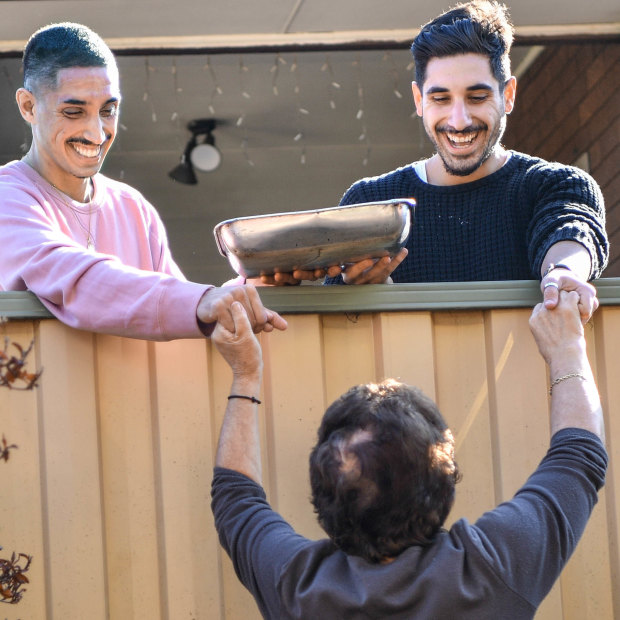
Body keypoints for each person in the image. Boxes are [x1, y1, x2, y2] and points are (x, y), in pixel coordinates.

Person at [210, 292, 607, 619]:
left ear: (322, 498)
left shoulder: (296, 588)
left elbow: (236, 500)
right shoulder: (491, 569)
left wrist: (246, 373)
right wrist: (567, 350)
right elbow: (579, 456)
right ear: (444, 483)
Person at [268, 1, 608, 324]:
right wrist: (364, 291)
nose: (458, 120)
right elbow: (341, 332)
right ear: (419, 100)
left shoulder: (556, 184)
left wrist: (561, 275)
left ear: (508, 95)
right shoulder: (370, 202)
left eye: (477, 97)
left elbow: (569, 228)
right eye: (440, 98)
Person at [0, 23, 286, 340]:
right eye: (73, 111)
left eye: (108, 110)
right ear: (28, 106)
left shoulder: (133, 208)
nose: (97, 133)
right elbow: (69, 276)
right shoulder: (7, 197)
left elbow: (175, 311)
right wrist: (200, 301)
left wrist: (256, 284)